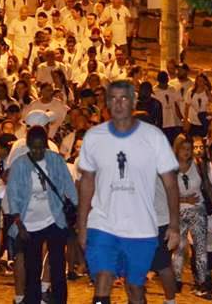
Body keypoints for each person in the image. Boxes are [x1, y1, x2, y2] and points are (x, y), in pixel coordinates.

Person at [77, 80, 180, 304]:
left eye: (123, 98)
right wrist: (82, 224)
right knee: (103, 278)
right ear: (106, 103)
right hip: (103, 222)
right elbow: (87, 182)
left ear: (133, 102)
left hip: (141, 226)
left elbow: (171, 183)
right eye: (113, 98)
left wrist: (174, 225)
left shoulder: (154, 138)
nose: (118, 104)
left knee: (134, 287)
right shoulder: (94, 137)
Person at [6, 125, 78, 304]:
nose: (38, 152)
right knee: (32, 267)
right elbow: (13, 196)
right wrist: (19, 224)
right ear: (28, 146)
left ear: (46, 145)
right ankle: (32, 299)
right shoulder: (20, 165)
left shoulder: (55, 161)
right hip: (29, 222)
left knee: (57, 264)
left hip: (54, 218)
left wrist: (76, 209)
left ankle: (59, 299)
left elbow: (68, 185)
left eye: (41, 147)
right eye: (34, 148)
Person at [171, 133, 212, 297]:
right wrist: (184, 199)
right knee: (179, 246)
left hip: (198, 209)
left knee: (200, 247)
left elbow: (207, 186)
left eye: (189, 149)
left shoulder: (198, 165)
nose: (186, 152)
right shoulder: (170, 168)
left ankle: (204, 281)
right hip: (178, 210)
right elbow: (166, 192)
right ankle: (176, 279)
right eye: (183, 149)